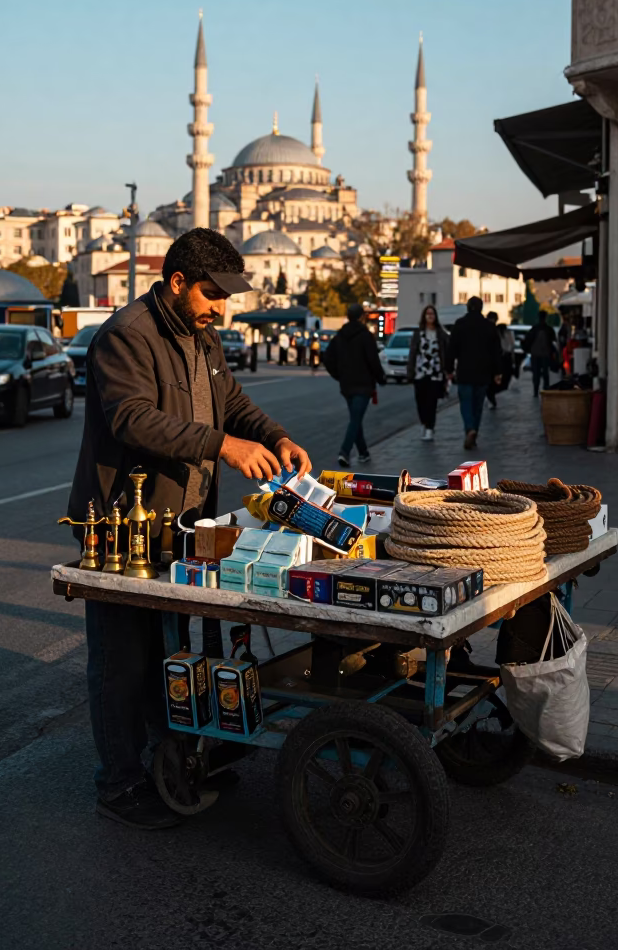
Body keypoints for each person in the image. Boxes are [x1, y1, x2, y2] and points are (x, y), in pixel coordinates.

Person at [69, 228, 311, 830]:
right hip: (125, 528)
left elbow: (230, 400)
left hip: (183, 525)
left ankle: (170, 758)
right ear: (177, 283)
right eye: (210, 294)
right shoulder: (125, 335)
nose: (219, 309)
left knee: (166, 649)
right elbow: (133, 420)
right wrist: (222, 446)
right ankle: (118, 785)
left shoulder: (202, 338)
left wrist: (274, 435)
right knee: (121, 660)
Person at [323, 304, 386, 467]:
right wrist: (381, 378)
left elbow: (327, 358)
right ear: (361, 317)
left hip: (347, 385)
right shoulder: (366, 336)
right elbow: (373, 360)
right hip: (363, 385)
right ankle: (344, 451)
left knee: (355, 418)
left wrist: (339, 375)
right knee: (355, 419)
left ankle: (364, 453)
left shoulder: (340, 336)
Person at [445, 296, 502, 449]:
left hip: (464, 371)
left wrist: (449, 369)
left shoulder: (460, 324)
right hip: (483, 372)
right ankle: (474, 430)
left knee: (466, 403)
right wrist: (497, 372)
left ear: (468, 307)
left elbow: (451, 349)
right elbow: (496, 351)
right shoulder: (489, 327)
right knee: (478, 404)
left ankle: (469, 429)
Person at [406, 304, 449, 440]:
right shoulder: (418, 333)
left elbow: (447, 352)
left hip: (436, 373)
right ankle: (424, 423)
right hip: (420, 372)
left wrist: (447, 371)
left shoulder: (440, 334)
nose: (430, 316)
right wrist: (410, 370)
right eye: (427, 314)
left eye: (432, 314)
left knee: (432, 401)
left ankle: (430, 428)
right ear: (424, 317)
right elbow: (412, 353)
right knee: (420, 401)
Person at [524, 310, 558, 398]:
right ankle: (546, 390)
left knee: (536, 374)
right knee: (545, 374)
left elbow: (527, 341)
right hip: (545, 355)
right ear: (546, 318)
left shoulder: (534, 329)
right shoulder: (549, 329)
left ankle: (536, 391)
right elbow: (553, 342)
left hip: (535, 355)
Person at [485, 312, 515, 408]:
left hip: (499, 359)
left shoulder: (495, 331)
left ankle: (490, 394)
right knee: (496, 380)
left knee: (500, 381)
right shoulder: (491, 330)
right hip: (497, 359)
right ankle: (490, 394)